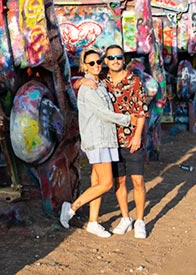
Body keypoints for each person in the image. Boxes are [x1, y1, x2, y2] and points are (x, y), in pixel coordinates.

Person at [59, 48, 137, 237]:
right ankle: (71, 208)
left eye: (98, 62)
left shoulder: (99, 84)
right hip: (98, 140)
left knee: (97, 182)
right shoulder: (89, 87)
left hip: (107, 139)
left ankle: (93, 221)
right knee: (106, 183)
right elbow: (103, 113)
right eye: (91, 63)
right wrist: (128, 119)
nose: (96, 65)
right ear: (84, 66)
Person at [96, 44, 151, 239]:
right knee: (119, 181)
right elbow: (79, 83)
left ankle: (140, 220)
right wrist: (81, 84)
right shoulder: (102, 81)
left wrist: (137, 135)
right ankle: (126, 217)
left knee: (137, 180)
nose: (115, 61)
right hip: (111, 139)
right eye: (111, 58)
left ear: (123, 59)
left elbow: (142, 110)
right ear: (106, 61)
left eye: (118, 57)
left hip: (131, 139)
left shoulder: (134, 81)